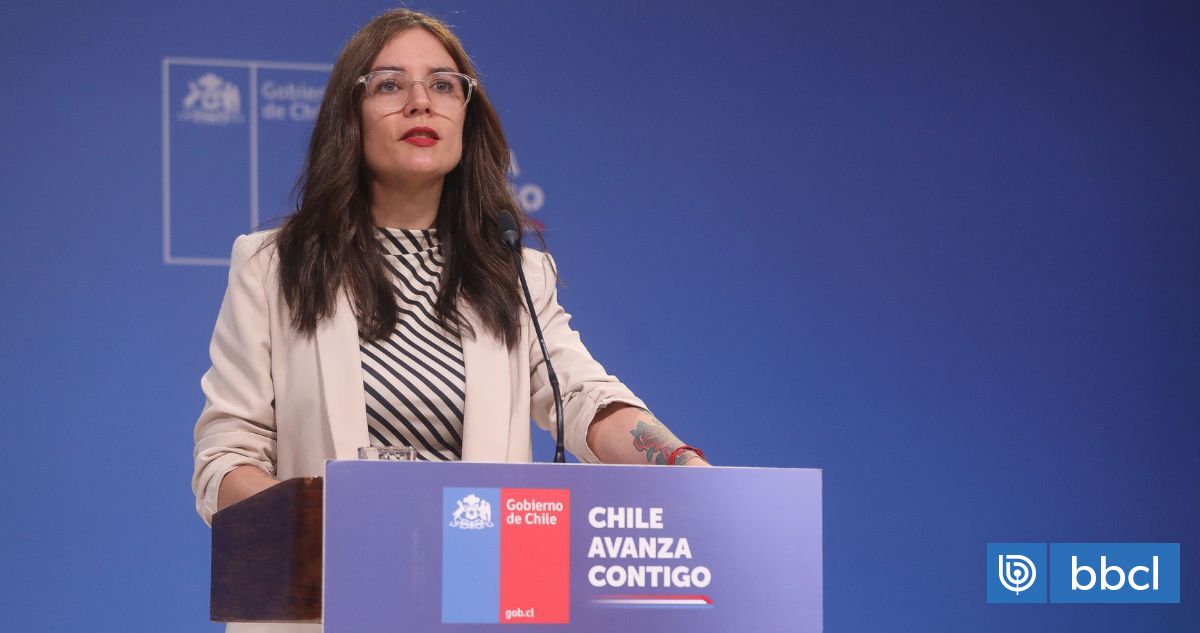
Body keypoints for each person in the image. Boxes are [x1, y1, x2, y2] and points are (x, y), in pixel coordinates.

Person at [192, 8, 708, 631]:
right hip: (325, 608)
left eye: (443, 84)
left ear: (466, 113)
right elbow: (226, 454)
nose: (421, 102)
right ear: (349, 117)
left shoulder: (516, 273)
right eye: (389, 84)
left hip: (477, 604)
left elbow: (583, 397)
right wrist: (314, 526)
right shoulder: (273, 267)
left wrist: (683, 467)